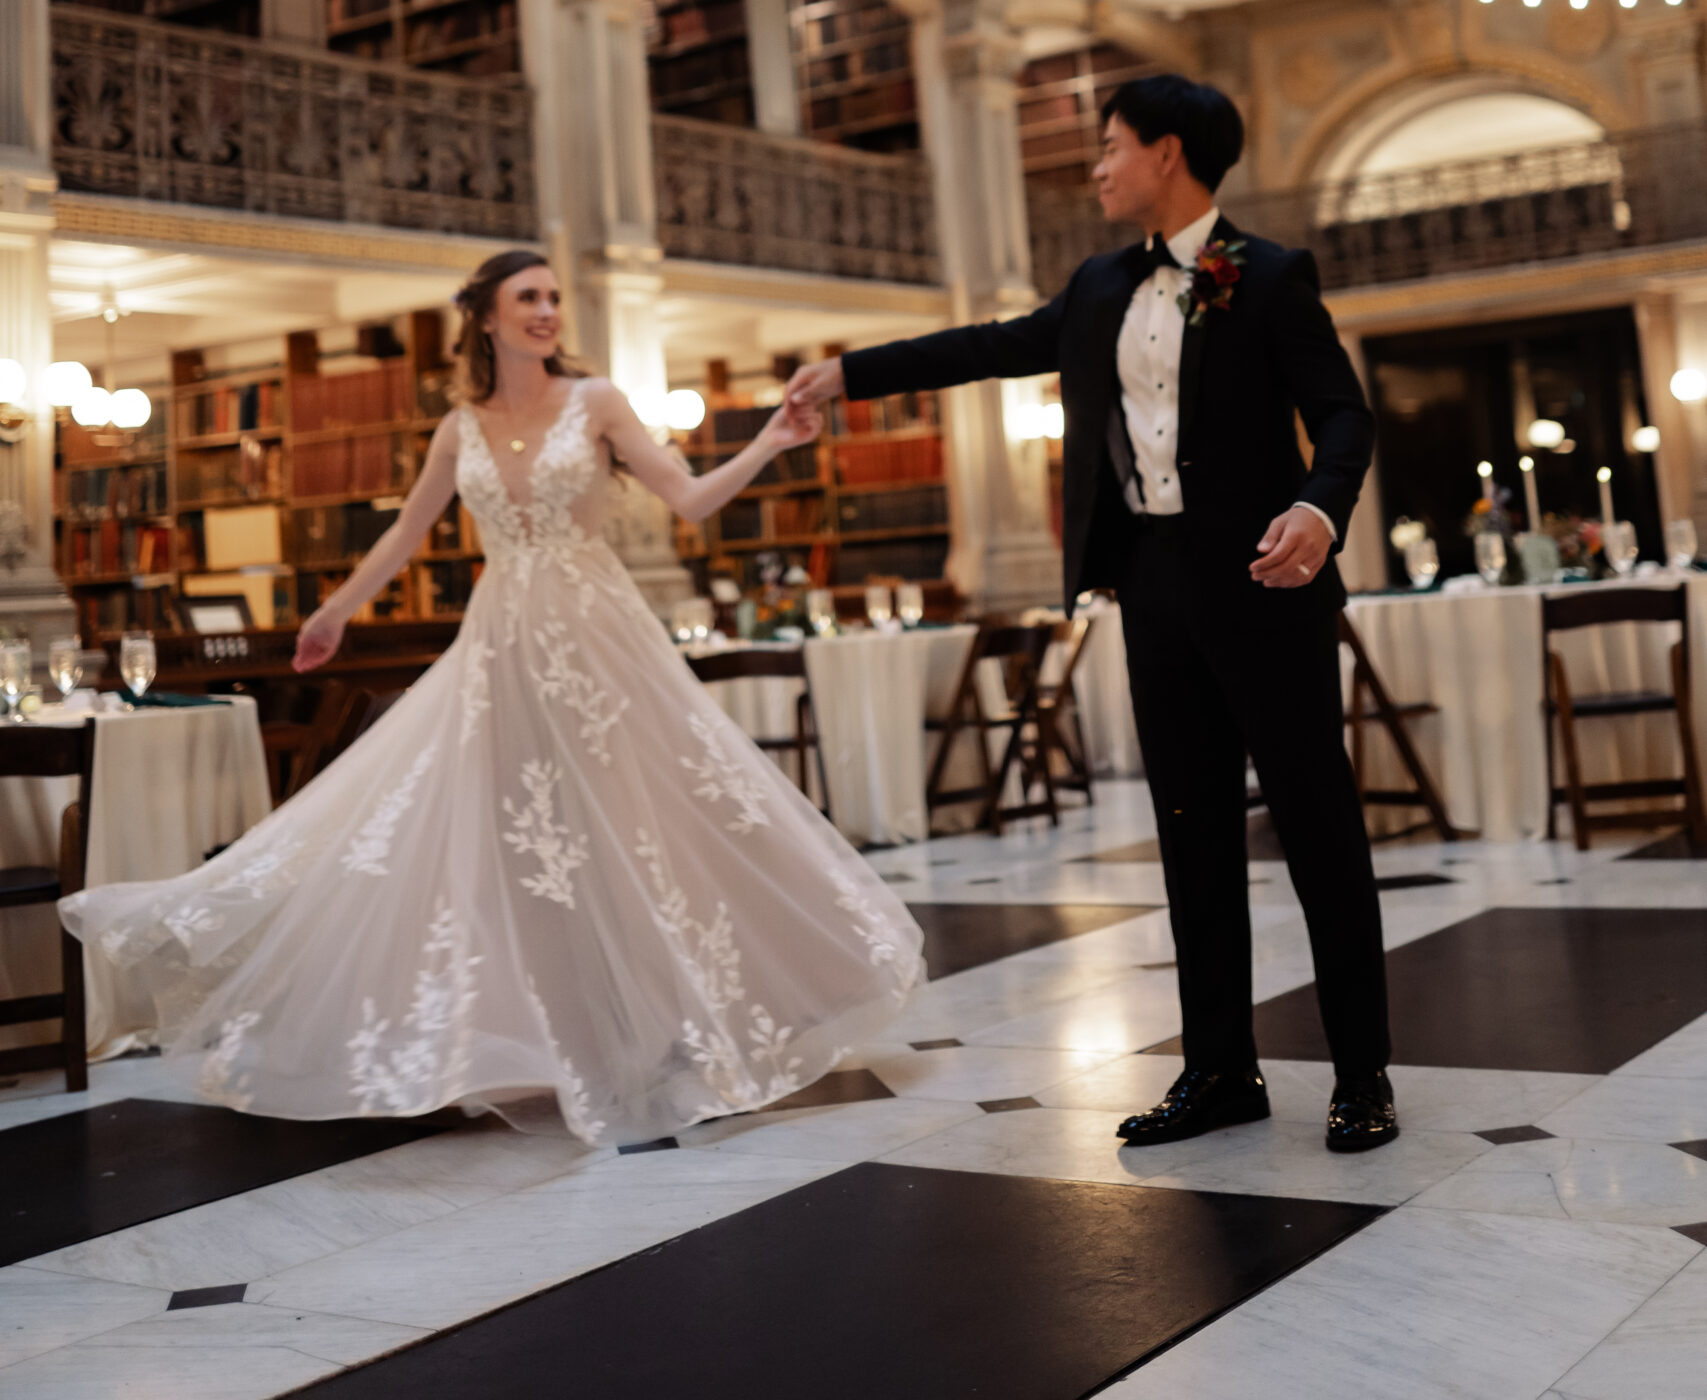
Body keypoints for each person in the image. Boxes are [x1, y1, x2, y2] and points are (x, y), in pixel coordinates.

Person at [63, 250, 922, 1137]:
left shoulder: (597, 403)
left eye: (552, 298)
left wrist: (770, 442)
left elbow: (691, 500)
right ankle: (559, 1030)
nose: (547, 311)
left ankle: (673, 1020)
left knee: (635, 822)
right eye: (529, 298)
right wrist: (333, 614)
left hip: (597, 642)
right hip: (501, 643)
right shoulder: (460, 425)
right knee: (525, 845)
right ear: (486, 318)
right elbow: (406, 531)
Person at [788, 75, 1397, 1155]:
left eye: (1111, 145)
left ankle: (1363, 1076)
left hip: (1268, 586)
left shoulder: (1269, 278)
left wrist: (1319, 508)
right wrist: (848, 373)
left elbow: (1343, 415)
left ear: (1168, 152)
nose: (1099, 165)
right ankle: (1217, 1070)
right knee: (1188, 833)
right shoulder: (1098, 283)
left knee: (1318, 829)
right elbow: (985, 347)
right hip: (1154, 589)